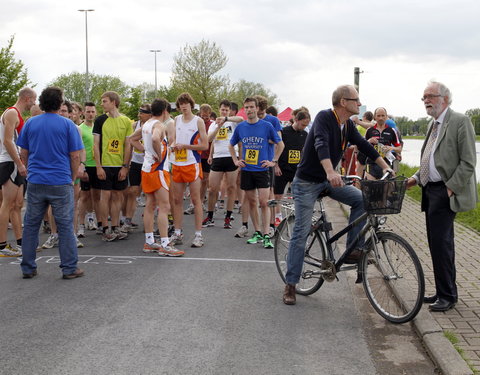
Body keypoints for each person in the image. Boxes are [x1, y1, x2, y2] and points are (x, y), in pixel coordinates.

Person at [282, 85, 393, 305]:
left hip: (328, 179)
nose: (360, 104)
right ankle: (290, 284)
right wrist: (331, 171)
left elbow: (364, 146)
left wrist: (386, 166)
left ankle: (352, 250)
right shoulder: (325, 118)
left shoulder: (347, 126)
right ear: (344, 101)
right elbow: (320, 143)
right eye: (356, 100)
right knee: (301, 231)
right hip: (306, 182)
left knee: (362, 201)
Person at [406, 81, 478, 312]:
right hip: (430, 190)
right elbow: (430, 158)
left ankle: (448, 296)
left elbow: (468, 162)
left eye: (430, 96)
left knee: (442, 244)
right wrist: (416, 178)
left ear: (444, 98)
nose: (426, 100)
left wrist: (450, 189)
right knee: (436, 244)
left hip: (445, 191)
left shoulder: (459, 121)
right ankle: (442, 290)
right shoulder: (432, 124)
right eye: (423, 97)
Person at [17, 86, 85, 279]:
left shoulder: (31, 123)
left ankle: (28, 267)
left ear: (43, 102)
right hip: (60, 180)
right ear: (59, 103)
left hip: (37, 180)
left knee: (31, 225)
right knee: (65, 225)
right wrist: (71, 178)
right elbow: (74, 156)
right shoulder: (67, 125)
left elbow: (24, 152)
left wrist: (31, 170)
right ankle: (69, 268)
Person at [129, 99, 184, 256]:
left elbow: (131, 139)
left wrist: (147, 151)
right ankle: (165, 244)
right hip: (157, 169)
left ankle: (149, 241)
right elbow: (154, 139)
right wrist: (158, 156)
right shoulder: (159, 125)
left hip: (146, 168)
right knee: (165, 206)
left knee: (150, 204)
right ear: (165, 111)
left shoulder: (146, 123)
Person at [229, 97, 284, 249]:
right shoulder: (241, 127)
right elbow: (231, 144)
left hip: (262, 170)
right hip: (247, 169)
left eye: (252, 107)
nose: (249, 110)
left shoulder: (266, 126)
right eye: (246, 107)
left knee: (264, 203)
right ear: (244, 109)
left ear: (257, 108)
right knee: (252, 202)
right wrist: (236, 160)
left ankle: (267, 234)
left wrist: (273, 161)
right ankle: (257, 232)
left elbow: (281, 144)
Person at [0, 87, 36, 257]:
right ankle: (2, 246)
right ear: (27, 98)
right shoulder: (12, 113)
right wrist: (19, 163)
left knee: (17, 204)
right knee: (7, 204)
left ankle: (21, 242)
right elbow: (8, 141)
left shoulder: (17, 115)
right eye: (33, 100)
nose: (34, 104)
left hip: (13, 162)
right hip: (10, 162)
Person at [169, 92, 208, 248]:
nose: (183, 106)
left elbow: (204, 145)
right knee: (177, 200)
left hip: (192, 163)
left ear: (191, 105)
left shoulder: (198, 121)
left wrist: (186, 146)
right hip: (177, 164)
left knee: (195, 200)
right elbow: (172, 140)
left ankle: (198, 235)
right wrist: (172, 146)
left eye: (186, 103)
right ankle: (178, 232)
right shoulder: (176, 120)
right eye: (181, 104)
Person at [93, 91, 133, 241]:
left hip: (119, 165)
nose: (102, 104)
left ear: (114, 102)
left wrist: (125, 166)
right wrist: (98, 166)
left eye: (104, 101)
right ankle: (105, 228)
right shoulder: (100, 120)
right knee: (105, 195)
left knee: (117, 195)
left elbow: (128, 145)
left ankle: (115, 227)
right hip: (105, 164)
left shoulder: (126, 121)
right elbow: (96, 145)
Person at [203, 99, 243, 229]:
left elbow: (241, 118)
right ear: (219, 109)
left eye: (226, 109)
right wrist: (219, 126)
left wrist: (226, 119)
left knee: (231, 187)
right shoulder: (213, 124)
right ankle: (210, 216)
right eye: (222, 109)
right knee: (212, 188)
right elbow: (209, 140)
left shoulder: (232, 122)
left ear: (229, 111)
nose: (224, 111)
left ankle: (228, 216)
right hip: (218, 157)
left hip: (231, 157)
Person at [273, 110, 309, 225]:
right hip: (282, 168)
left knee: (299, 194)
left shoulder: (305, 134)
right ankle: (277, 216)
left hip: (297, 169)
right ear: (296, 120)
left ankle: (297, 216)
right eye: (303, 124)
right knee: (278, 194)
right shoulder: (284, 132)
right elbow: (276, 147)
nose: (304, 127)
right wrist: (276, 165)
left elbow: (304, 151)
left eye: (306, 125)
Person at [77, 102, 100, 237]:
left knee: (96, 196)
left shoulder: (98, 128)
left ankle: (93, 219)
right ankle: (80, 225)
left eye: (92, 112)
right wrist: (82, 166)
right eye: (88, 112)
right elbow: (79, 149)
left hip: (96, 165)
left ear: (95, 113)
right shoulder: (80, 128)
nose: (90, 114)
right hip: (86, 166)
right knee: (84, 196)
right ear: (83, 113)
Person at [361, 107, 402, 180]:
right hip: (371, 164)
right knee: (369, 189)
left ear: (386, 117)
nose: (381, 118)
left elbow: (399, 149)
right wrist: (369, 141)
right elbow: (361, 146)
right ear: (374, 117)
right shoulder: (369, 130)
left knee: (386, 190)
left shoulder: (391, 131)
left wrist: (391, 148)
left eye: (383, 116)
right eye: (378, 116)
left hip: (386, 164)